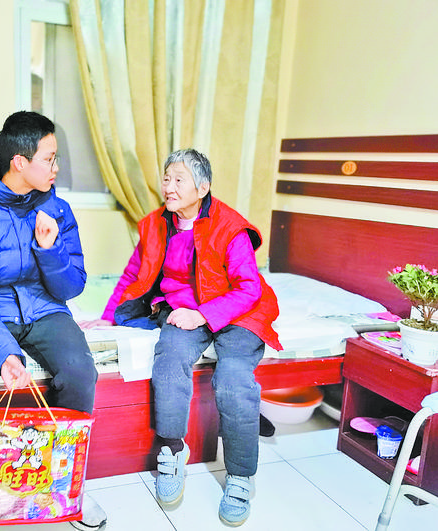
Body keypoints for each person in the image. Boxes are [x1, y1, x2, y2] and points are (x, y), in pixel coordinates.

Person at [80, 148, 282, 527]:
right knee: (169, 357)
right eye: (167, 178)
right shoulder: (155, 224)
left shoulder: (230, 227)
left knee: (233, 379)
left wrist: (203, 314)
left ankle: (240, 476)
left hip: (237, 309)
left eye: (179, 180)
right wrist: (109, 316)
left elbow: (248, 288)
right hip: (183, 309)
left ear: (202, 188)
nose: (169, 187)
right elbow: (134, 274)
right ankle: (173, 450)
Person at [0, 111, 106, 531]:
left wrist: (50, 251)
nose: (56, 168)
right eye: (49, 159)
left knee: (80, 371)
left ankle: (67, 484)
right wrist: (5, 353)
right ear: (19, 161)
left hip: (44, 309)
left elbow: (72, 286)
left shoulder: (57, 209)